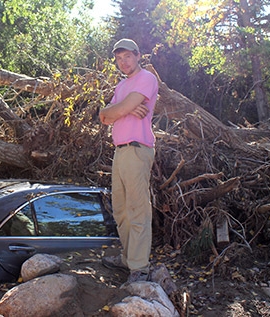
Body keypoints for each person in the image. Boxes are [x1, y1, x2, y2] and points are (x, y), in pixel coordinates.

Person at [99, 39, 158, 283]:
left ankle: (139, 268)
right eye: (119, 58)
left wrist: (119, 109)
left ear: (138, 55)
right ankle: (127, 259)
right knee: (122, 210)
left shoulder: (147, 78)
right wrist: (126, 107)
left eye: (128, 57)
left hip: (137, 149)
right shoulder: (121, 86)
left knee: (137, 209)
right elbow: (103, 116)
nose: (123, 62)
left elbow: (112, 112)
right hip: (120, 152)